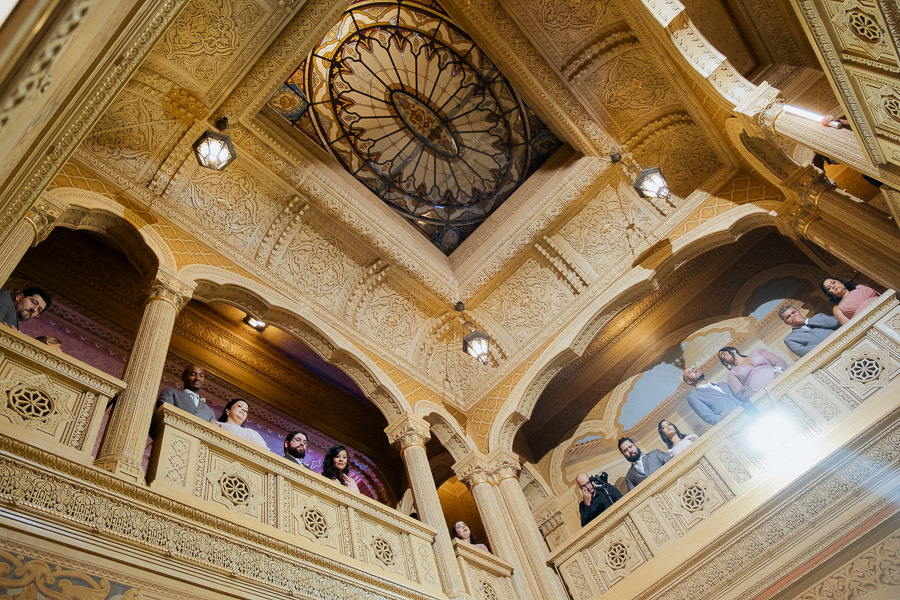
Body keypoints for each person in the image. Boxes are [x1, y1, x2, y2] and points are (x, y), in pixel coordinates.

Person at [717, 346, 787, 401]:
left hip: (781, 380)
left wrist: (778, 373)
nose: (723, 357)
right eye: (721, 358)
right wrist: (754, 396)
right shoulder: (731, 373)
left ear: (733, 350)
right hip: (763, 395)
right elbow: (739, 394)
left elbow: (779, 361)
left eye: (723, 353)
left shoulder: (758, 352)